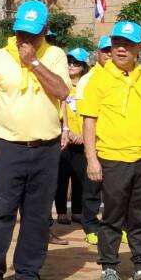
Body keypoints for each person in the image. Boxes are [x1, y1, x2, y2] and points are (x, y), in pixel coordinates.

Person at [0, 0, 71, 280]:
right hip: (9, 146)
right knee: (2, 211)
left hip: (46, 148)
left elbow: (62, 91)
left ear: (44, 31)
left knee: (38, 214)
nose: (25, 40)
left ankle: (27, 275)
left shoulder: (55, 55)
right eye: (21, 33)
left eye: (32, 34)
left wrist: (34, 63)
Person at [81, 20, 141, 280]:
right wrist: (92, 159)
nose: (121, 49)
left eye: (128, 45)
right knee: (112, 216)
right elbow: (89, 121)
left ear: (140, 47)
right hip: (113, 158)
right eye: (117, 43)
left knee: (139, 217)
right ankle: (109, 268)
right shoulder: (98, 79)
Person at [81, 35, 113, 247]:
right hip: (97, 142)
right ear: (98, 53)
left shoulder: (125, 76)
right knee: (93, 188)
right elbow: (83, 115)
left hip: (117, 144)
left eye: (112, 49)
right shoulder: (89, 79)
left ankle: (114, 227)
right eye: (105, 51)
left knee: (115, 191)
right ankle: (91, 226)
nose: (109, 54)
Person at [56, 47, 91, 227]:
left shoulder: (89, 85)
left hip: (83, 139)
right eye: (69, 62)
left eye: (76, 63)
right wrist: (67, 131)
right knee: (61, 177)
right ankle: (61, 211)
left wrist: (84, 135)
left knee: (80, 177)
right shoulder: (61, 85)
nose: (71, 65)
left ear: (83, 66)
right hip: (64, 138)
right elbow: (56, 110)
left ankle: (77, 211)